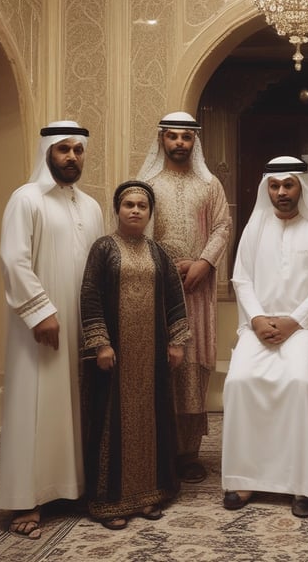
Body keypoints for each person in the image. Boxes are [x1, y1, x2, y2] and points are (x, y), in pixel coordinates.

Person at [0, 121, 104, 539]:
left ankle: (70, 487)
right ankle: (28, 498)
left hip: (81, 323)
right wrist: (41, 312)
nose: (72, 157)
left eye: (78, 150)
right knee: (36, 405)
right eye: (63, 150)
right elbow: (13, 259)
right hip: (41, 326)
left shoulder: (90, 206)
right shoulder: (26, 199)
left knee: (76, 405)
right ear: (47, 153)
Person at [221, 156, 308, 518]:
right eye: (274, 186)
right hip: (258, 328)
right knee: (240, 381)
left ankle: (302, 483)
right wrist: (257, 319)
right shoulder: (254, 229)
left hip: (304, 329)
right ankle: (244, 478)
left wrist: (294, 321)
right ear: (267, 189)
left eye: (288, 185)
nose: (281, 192)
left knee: (301, 383)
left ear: (301, 188)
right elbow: (241, 278)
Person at [79, 180, 191, 530]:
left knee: (150, 419)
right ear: (117, 209)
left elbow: (175, 299)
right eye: (129, 204)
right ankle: (110, 502)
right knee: (112, 421)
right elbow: (90, 295)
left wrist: (176, 343)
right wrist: (101, 343)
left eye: (142, 206)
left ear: (149, 212)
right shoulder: (103, 249)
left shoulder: (158, 253)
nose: (136, 211)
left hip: (152, 356)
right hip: (115, 357)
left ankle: (149, 495)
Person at [137, 111, 232, 483]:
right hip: (154, 289)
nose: (179, 143)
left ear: (195, 142)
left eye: (186, 138)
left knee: (193, 367)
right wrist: (161, 267)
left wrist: (204, 263)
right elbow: (134, 227)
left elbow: (223, 225)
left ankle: (189, 452)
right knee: (159, 365)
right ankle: (155, 449)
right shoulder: (146, 183)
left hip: (196, 289)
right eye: (173, 137)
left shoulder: (209, 185)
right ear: (162, 140)